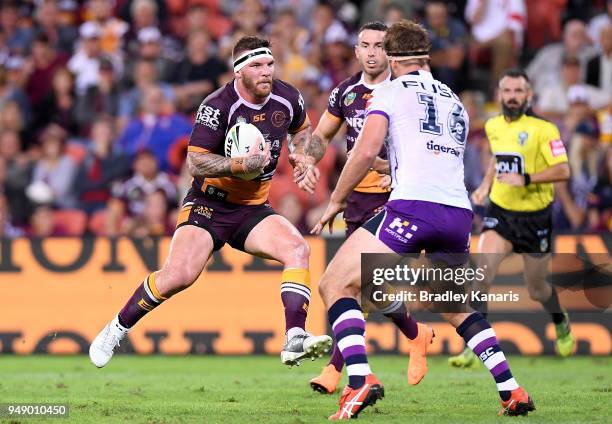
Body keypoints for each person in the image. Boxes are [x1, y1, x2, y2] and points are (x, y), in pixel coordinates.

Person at [311, 20, 534, 418]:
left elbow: (364, 152)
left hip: (413, 207)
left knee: (335, 282)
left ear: (394, 60)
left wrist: (336, 199)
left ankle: (360, 382)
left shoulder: (389, 92)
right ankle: (511, 389)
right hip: (457, 212)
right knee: (450, 303)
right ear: (425, 57)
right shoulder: (453, 99)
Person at [89, 35, 331, 369]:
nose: (267, 72)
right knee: (179, 275)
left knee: (298, 249)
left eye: (270, 64)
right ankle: (116, 327)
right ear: (238, 72)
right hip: (209, 204)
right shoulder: (217, 106)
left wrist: (303, 157)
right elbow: (195, 162)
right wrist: (237, 165)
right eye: (257, 65)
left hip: (252, 209)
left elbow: (304, 134)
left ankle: (295, 339)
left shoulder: (288, 97)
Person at [303, 22, 430, 396]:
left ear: (391, 52)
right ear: (355, 52)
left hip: (396, 198)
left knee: (349, 285)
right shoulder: (346, 92)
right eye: (365, 45)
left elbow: (426, 148)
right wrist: (309, 161)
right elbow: (322, 135)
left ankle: (338, 370)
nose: (372, 52)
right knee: (369, 288)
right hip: (357, 198)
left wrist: (389, 168)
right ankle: (416, 333)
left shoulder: (402, 92)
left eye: (379, 45)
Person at [449, 69, 575, 368]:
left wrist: (527, 178)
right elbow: (497, 156)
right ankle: (475, 344)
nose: (513, 97)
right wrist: (484, 186)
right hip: (501, 212)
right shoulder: (493, 125)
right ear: (499, 95)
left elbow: (564, 171)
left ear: (529, 95)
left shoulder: (545, 129)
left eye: (519, 91)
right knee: (481, 277)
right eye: (507, 91)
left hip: (535, 218)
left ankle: (560, 320)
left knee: (537, 288)